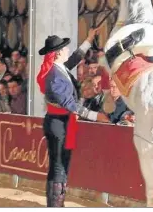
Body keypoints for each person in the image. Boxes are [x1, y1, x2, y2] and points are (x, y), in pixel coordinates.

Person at [36, 30, 110, 207]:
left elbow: (75, 58)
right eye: (65, 48)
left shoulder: (58, 69)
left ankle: (55, 204)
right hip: (58, 124)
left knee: (59, 165)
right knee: (59, 165)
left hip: (59, 123)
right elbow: (70, 104)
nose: (68, 50)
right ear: (59, 53)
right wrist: (94, 116)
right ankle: (56, 205)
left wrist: (89, 39)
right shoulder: (55, 77)